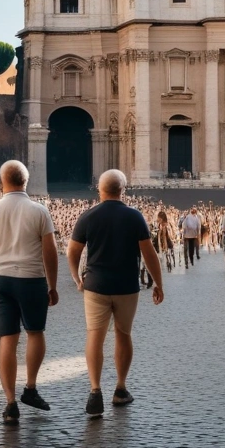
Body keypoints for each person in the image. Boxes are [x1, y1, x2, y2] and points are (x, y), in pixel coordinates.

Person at [68, 170, 163, 418]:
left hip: (95, 285)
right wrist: (158, 283)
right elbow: (149, 253)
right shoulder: (135, 216)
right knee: (123, 334)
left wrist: (77, 278)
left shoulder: (88, 216)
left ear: (99, 190)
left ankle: (95, 390)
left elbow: (73, 251)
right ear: (123, 189)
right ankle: (120, 388)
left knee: (94, 336)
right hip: (126, 285)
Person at [0, 160, 59, 425]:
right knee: (35, 332)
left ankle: (10, 402)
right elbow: (50, 252)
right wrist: (53, 284)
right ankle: (31, 387)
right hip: (31, 277)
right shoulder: (39, 211)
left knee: (7, 340)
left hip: (1, 278)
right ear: (25, 181)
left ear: (2, 181)